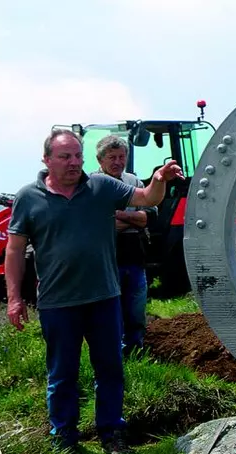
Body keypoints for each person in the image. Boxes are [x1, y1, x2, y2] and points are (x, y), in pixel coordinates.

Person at [5, 128, 183, 454]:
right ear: (47, 160)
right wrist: (14, 298)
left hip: (104, 298)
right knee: (62, 375)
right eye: (65, 157)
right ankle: (64, 440)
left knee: (110, 369)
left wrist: (159, 178)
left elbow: (147, 198)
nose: (74, 163)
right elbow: (14, 250)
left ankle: (112, 432)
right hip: (58, 303)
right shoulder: (28, 197)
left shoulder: (101, 187)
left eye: (77, 156)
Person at [95, 135, 157, 358]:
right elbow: (99, 223)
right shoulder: (92, 184)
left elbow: (147, 217)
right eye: (112, 157)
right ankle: (112, 354)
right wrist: (132, 217)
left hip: (135, 257)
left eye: (122, 157)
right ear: (100, 160)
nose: (118, 162)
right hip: (105, 261)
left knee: (136, 307)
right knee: (110, 310)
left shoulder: (134, 182)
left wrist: (118, 215)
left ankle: (136, 350)